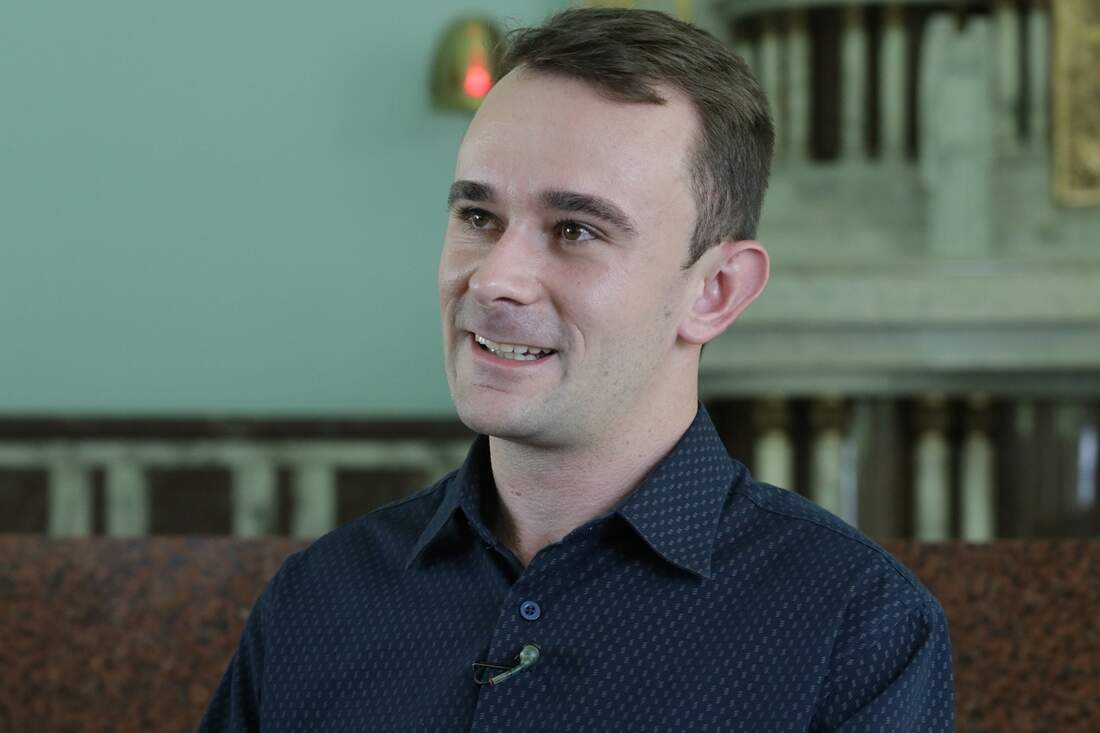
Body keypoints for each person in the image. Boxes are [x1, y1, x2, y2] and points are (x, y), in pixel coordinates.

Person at [199, 8, 954, 731]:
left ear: (715, 291)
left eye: (576, 230)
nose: (496, 279)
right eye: (478, 217)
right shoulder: (317, 600)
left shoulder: (858, 628)